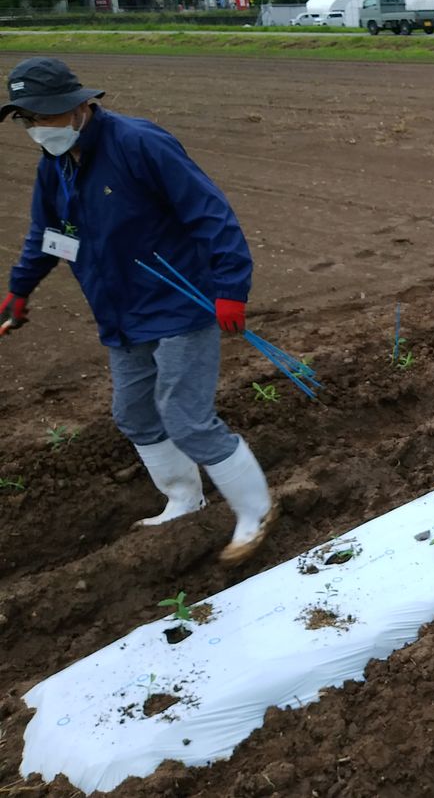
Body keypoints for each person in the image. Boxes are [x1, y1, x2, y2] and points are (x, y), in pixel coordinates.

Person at [0, 57, 274, 564]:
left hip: (179, 301)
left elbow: (210, 213)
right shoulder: (56, 165)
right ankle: (183, 500)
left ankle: (255, 511)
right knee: (135, 413)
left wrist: (231, 287)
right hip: (120, 310)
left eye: (45, 116)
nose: (38, 129)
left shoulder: (140, 144)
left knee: (186, 416)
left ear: (80, 106)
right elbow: (48, 235)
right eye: (27, 119)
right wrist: (20, 291)